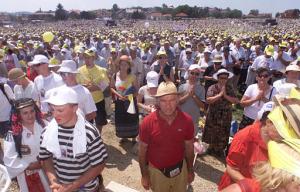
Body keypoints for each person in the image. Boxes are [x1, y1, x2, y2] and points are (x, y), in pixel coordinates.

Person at [39, 86, 108, 192]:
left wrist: (72, 186)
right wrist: (54, 181)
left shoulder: (89, 133)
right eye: (52, 110)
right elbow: (45, 158)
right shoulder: (47, 132)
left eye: (60, 110)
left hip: (86, 188)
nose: (55, 115)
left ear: (75, 108)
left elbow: (99, 164)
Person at [139, 81, 195, 192]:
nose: (168, 105)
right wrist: (144, 175)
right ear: (157, 102)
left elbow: (189, 148)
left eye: (172, 100)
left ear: (178, 100)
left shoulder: (187, 120)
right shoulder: (147, 122)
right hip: (157, 172)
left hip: (180, 169)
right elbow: (142, 152)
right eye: (163, 101)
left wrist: (190, 170)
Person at [3, 98, 51, 192]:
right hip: (29, 175)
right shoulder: (13, 133)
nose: (30, 115)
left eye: (32, 111)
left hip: (50, 169)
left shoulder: (44, 124)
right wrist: (30, 166)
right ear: (18, 115)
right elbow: (10, 159)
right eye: (25, 113)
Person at [202, 69, 239, 156]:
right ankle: (210, 147)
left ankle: (220, 149)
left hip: (225, 115)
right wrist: (219, 95)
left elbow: (236, 100)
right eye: (221, 78)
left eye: (225, 78)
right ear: (218, 78)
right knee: (212, 130)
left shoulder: (230, 88)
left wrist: (225, 95)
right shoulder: (212, 87)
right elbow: (208, 100)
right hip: (213, 113)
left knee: (223, 131)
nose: (223, 80)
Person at [77, 49, 109, 132]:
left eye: (89, 57)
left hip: (98, 100)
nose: (87, 60)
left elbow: (104, 86)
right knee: (87, 122)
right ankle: (89, 138)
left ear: (93, 58)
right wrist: (94, 86)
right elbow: (77, 86)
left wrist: (87, 87)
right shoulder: (79, 71)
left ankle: (98, 136)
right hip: (85, 101)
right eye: (85, 57)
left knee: (100, 121)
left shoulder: (101, 70)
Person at [110, 55, 139, 140]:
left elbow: (137, 91)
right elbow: (111, 87)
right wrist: (118, 95)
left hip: (130, 101)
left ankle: (133, 137)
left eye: (125, 64)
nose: (123, 66)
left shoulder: (133, 77)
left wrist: (129, 96)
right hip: (119, 101)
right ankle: (124, 136)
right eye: (122, 64)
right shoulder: (115, 76)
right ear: (119, 65)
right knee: (121, 119)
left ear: (129, 66)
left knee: (131, 118)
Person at [179, 64, 206, 136]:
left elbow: (202, 106)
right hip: (181, 119)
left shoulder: (201, 88)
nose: (194, 75)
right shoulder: (182, 86)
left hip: (194, 120)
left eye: (196, 74)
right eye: (192, 73)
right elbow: (178, 102)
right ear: (188, 72)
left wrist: (194, 96)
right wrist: (188, 95)